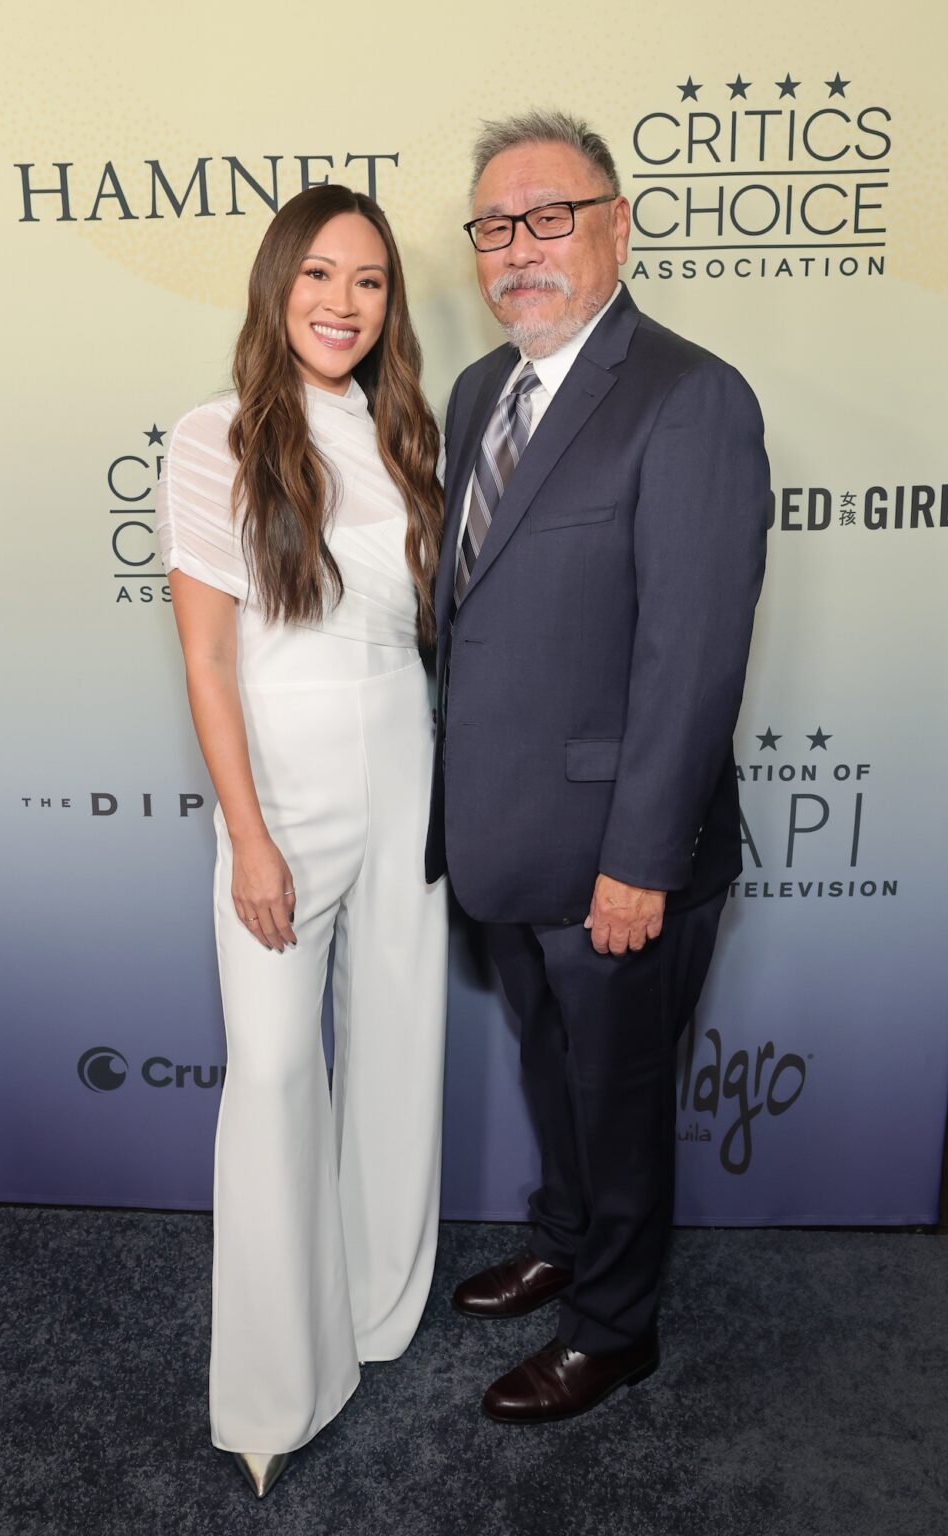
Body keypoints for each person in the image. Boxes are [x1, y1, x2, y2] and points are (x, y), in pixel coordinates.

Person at [426, 111, 769, 1424]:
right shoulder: (478, 396)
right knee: (547, 1062)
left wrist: (640, 862)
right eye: (496, 227)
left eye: (549, 216)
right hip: (503, 834)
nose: (520, 249)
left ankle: (616, 1327)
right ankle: (565, 1234)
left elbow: (691, 658)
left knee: (619, 1094)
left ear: (618, 225)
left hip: (623, 854)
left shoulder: (690, 397)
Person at [157, 185, 447, 1495]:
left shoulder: (406, 436)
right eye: (321, 273)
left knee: (397, 1045)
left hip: (409, 771)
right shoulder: (212, 436)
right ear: (278, 286)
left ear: (391, 306)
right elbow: (209, 659)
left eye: (372, 281)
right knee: (274, 1072)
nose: (345, 301)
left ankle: (376, 1310)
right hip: (283, 789)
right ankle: (276, 1387)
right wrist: (250, 837)